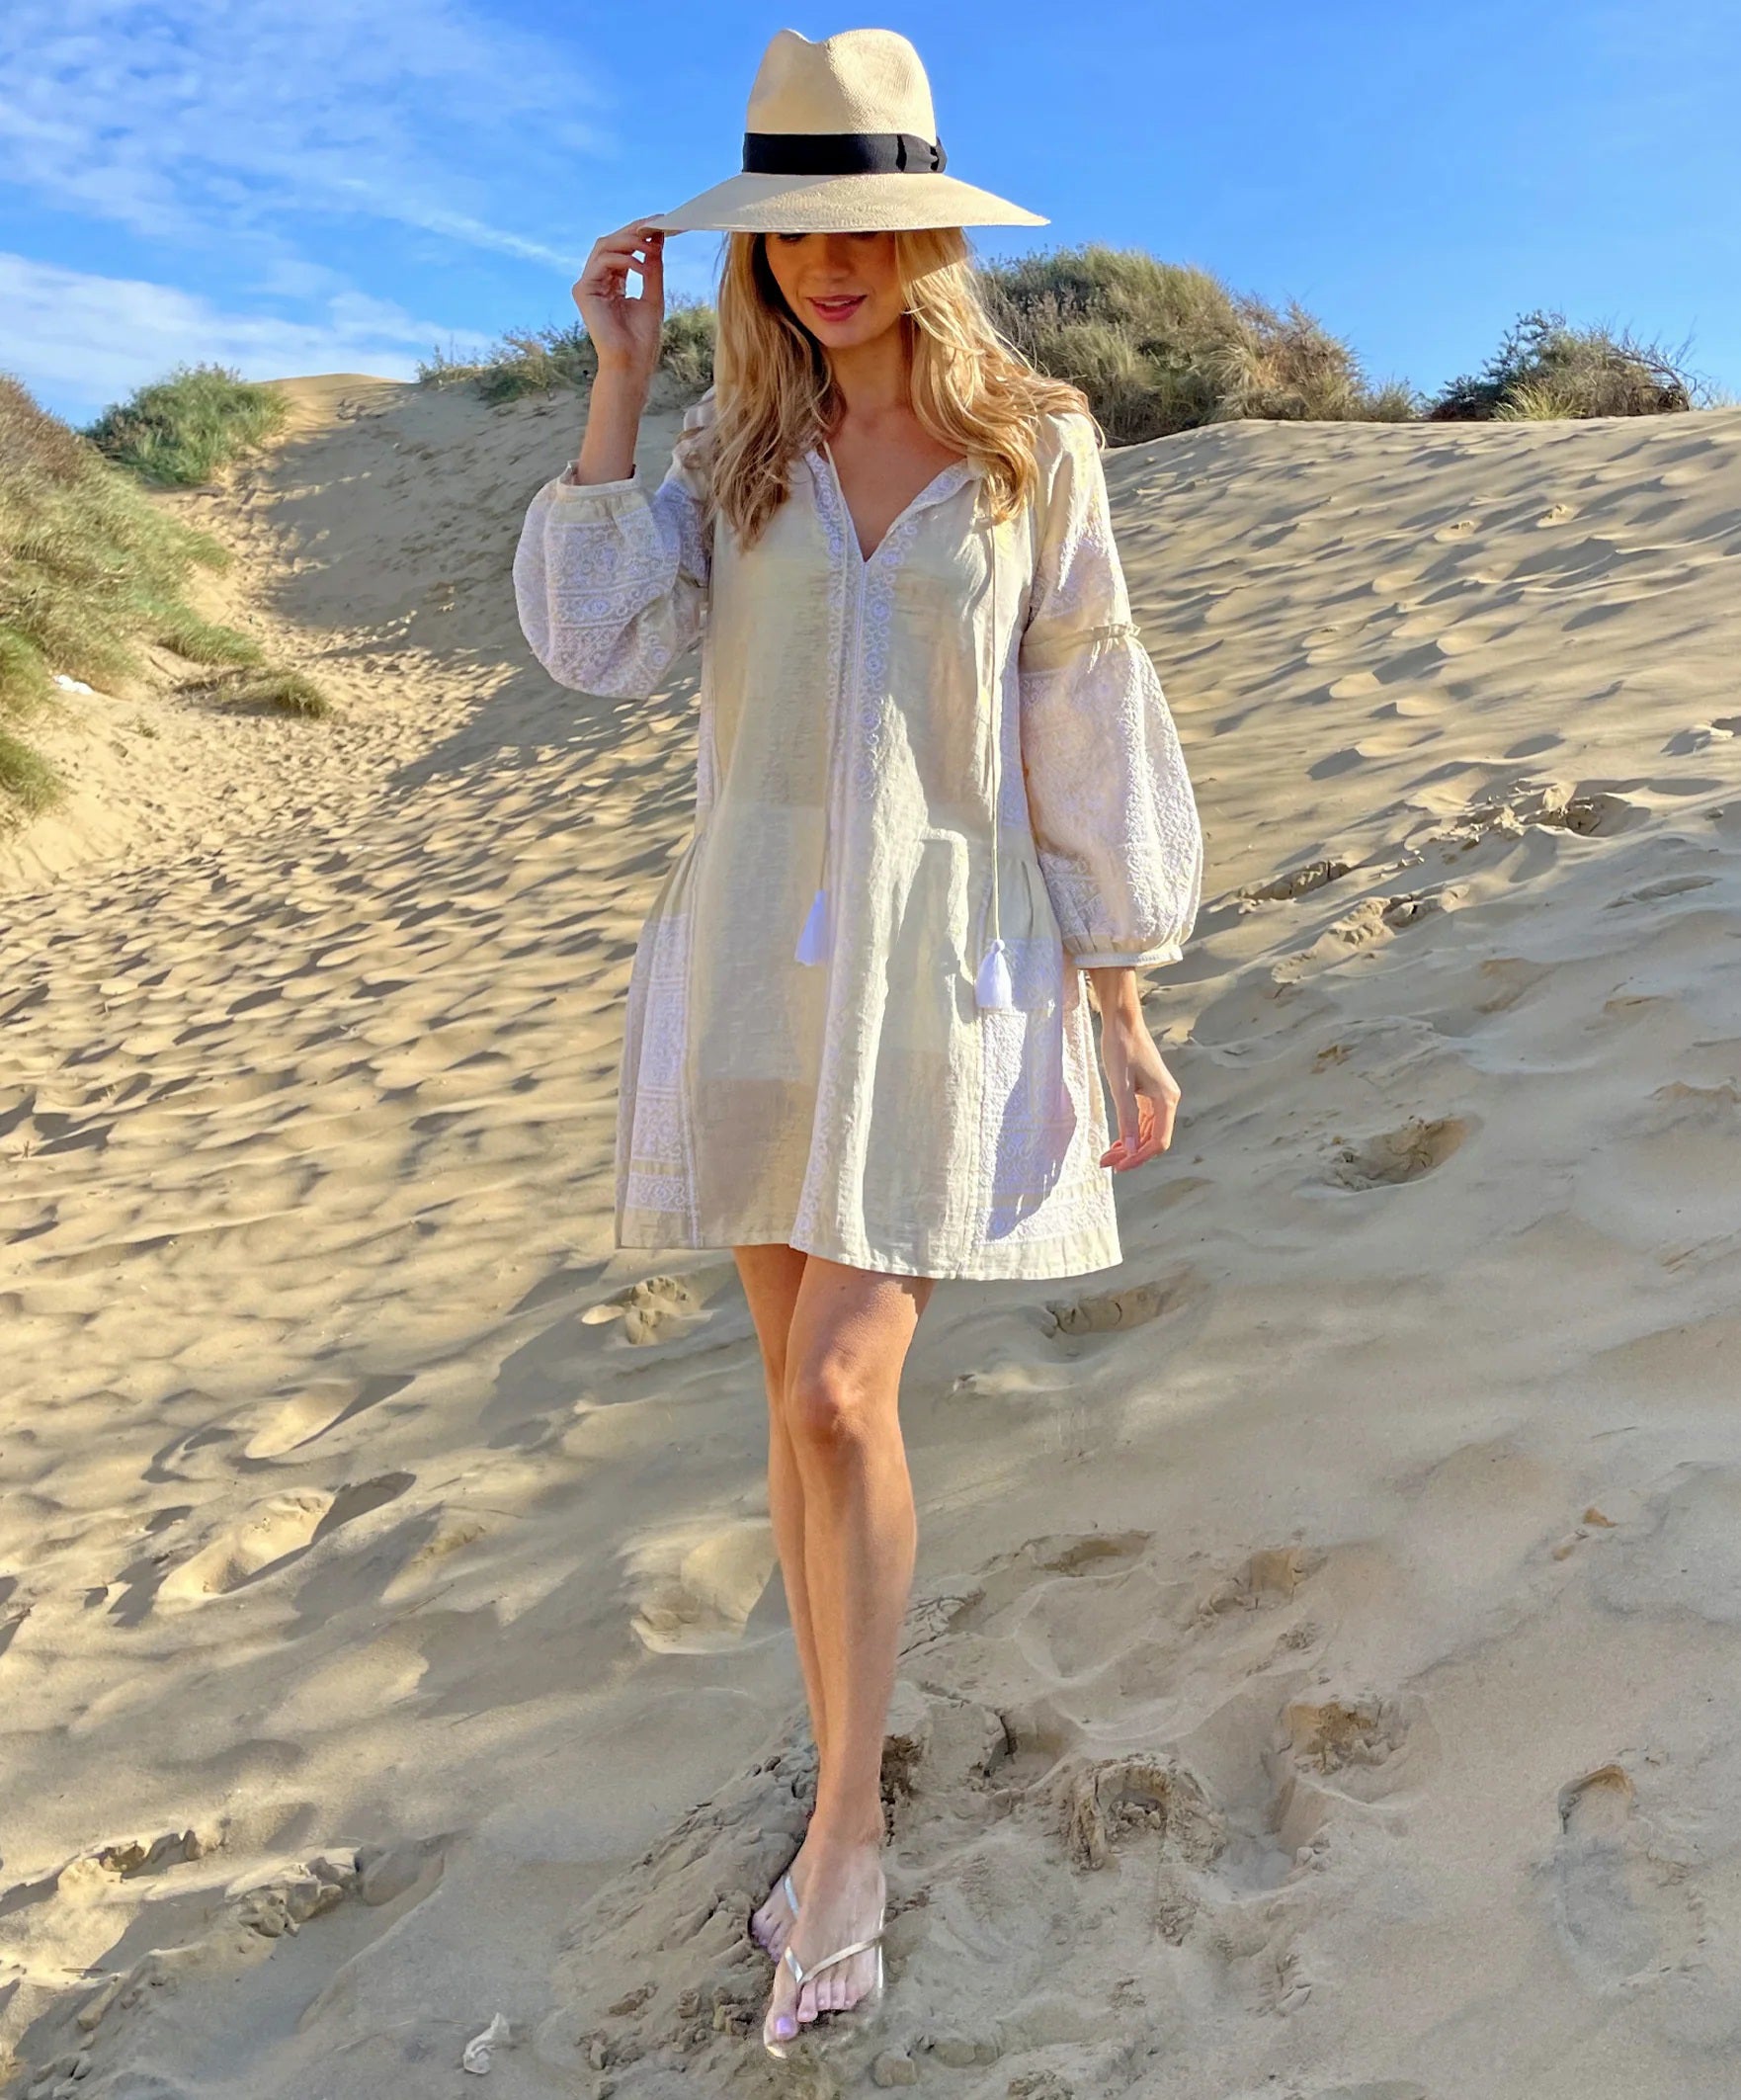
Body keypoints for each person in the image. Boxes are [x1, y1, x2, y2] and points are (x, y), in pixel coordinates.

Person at [513, 24, 1203, 2059]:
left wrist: (1124, 1000)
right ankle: (837, 1757)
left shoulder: (1032, 443)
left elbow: (1079, 713)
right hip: (750, 964)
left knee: (838, 1390)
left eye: (864, 221)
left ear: (926, 228)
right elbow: (592, 644)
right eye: (789, 229)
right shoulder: (734, 445)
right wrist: (624, 377)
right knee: (787, 1403)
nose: (827, 263)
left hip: (954, 966)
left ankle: (840, 1825)